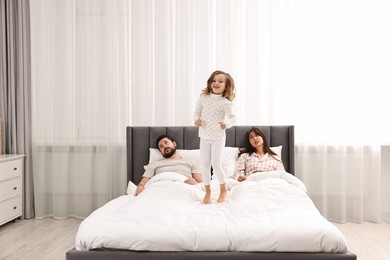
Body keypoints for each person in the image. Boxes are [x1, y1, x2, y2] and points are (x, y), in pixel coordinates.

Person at [194, 70, 236, 204]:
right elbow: (196, 112)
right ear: (210, 82)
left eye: (220, 81)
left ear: (226, 86)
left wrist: (226, 124)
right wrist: (196, 120)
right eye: (214, 80)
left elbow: (233, 118)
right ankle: (207, 192)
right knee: (205, 165)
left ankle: (223, 190)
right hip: (204, 136)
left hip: (218, 137)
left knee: (216, 164)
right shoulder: (204, 97)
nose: (216, 83)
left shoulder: (225, 102)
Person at [135, 134, 203, 196]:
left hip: (183, 189)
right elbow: (142, 183)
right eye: (161, 146)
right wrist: (140, 187)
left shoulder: (191, 162)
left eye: (166, 142)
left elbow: (201, 183)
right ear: (160, 151)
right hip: (160, 189)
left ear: (174, 143)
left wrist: (195, 183)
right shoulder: (154, 164)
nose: (164, 146)